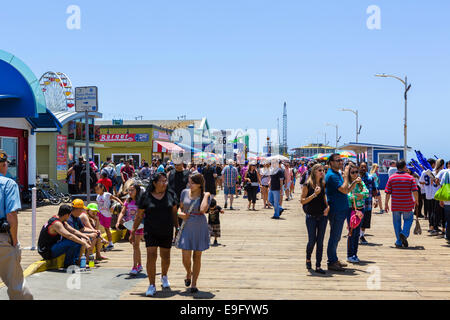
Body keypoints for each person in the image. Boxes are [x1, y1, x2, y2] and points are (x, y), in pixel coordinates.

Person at [133, 173, 178, 296]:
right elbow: (139, 215)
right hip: (151, 231)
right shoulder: (145, 196)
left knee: (166, 257)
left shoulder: (171, 195)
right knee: (151, 256)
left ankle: (164, 276)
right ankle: (151, 285)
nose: (165, 183)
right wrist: (133, 231)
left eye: (166, 181)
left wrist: (177, 228)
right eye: (162, 181)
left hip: (167, 230)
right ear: (154, 183)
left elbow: (174, 213)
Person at [0, 150, 33, 300]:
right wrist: (14, 240)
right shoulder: (8, 184)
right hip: (2, 240)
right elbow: (11, 215)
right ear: (4, 165)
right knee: (16, 286)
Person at [176, 173, 211, 293]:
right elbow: (180, 208)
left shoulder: (205, 196)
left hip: (199, 226)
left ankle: (194, 283)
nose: (189, 184)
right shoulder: (184, 192)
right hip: (186, 225)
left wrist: (206, 195)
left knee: (197, 256)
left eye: (192, 183)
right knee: (185, 256)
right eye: (189, 182)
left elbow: (202, 210)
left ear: (200, 184)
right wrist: (179, 214)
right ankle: (188, 272)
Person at [325, 154, 359, 272]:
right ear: (331, 162)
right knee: (335, 236)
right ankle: (332, 262)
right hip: (336, 210)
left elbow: (346, 190)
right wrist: (345, 177)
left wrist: (353, 182)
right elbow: (344, 189)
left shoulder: (337, 174)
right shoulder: (332, 176)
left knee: (337, 236)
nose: (340, 162)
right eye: (338, 160)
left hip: (341, 209)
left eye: (341, 160)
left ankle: (334, 258)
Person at [38, 204, 91, 271]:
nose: (69, 217)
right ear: (66, 215)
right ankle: (69, 264)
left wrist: (85, 236)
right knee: (74, 241)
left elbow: (73, 231)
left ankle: (74, 262)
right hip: (47, 251)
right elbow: (69, 235)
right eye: (69, 215)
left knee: (78, 240)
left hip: (53, 246)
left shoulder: (60, 219)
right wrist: (84, 243)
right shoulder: (56, 224)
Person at [300, 163, 329, 274]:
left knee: (320, 242)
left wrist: (328, 207)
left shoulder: (323, 184)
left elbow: (324, 198)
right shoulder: (307, 184)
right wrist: (314, 194)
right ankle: (308, 259)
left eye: (323, 170)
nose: (322, 172)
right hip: (311, 216)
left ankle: (318, 265)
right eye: (319, 170)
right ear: (314, 172)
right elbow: (302, 201)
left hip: (322, 216)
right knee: (312, 241)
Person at [385, 160, 419, 248]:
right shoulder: (410, 178)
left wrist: (386, 204)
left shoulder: (391, 178)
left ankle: (399, 242)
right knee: (409, 219)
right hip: (407, 204)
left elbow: (388, 192)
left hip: (395, 204)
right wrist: (416, 200)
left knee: (396, 222)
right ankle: (404, 233)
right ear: (404, 167)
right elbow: (415, 191)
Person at [116, 183, 144, 275]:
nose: (130, 192)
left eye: (132, 190)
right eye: (129, 190)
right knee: (135, 246)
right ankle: (139, 265)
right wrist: (118, 221)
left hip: (139, 226)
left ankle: (134, 267)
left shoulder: (141, 201)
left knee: (135, 245)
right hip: (130, 225)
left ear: (137, 191)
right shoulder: (128, 201)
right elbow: (122, 212)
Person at [346, 164, 368, 263]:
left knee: (357, 234)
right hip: (351, 210)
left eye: (356, 172)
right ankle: (350, 255)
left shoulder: (361, 182)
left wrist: (358, 195)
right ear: (349, 173)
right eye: (352, 172)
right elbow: (348, 196)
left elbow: (366, 193)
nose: (355, 174)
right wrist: (359, 196)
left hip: (360, 209)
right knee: (352, 232)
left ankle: (355, 254)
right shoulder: (347, 183)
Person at [95, 183, 124, 250]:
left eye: (98, 189)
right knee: (98, 228)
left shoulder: (107, 194)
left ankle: (110, 243)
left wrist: (122, 204)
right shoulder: (97, 196)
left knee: (107, 229)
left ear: (102, 188)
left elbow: (115, 198)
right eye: (95, 189)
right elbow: (98, 205)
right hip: (100, 214)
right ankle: (102, 241)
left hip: (107, 214)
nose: (96, 190)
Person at [359, 162, 377, 245]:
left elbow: (374, 189)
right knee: (357, 220)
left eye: (365, 167)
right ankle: (357, 235)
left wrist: (376, 200)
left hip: (367, 203)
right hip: (357, 204)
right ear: (359, 167)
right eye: (362, 167)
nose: (363, 168)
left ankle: (361, 235)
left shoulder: (370, 177)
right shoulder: (356, 177)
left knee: (365, 221)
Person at [419, 158, 438, 233]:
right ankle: (434, 226)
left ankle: (430, 226)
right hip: (434, 193)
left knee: (430, 211)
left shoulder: (424, 172)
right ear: (433, 164)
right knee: (434, 211)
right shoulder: (434, 172)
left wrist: (426, 184)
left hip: (427, 194)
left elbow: (420, 182)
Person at [436, 165, 450, 241]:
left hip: (447, 200)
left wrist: (441, 199)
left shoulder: (446, 173)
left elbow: (442, 186)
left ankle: (448, 236)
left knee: (448, 219)